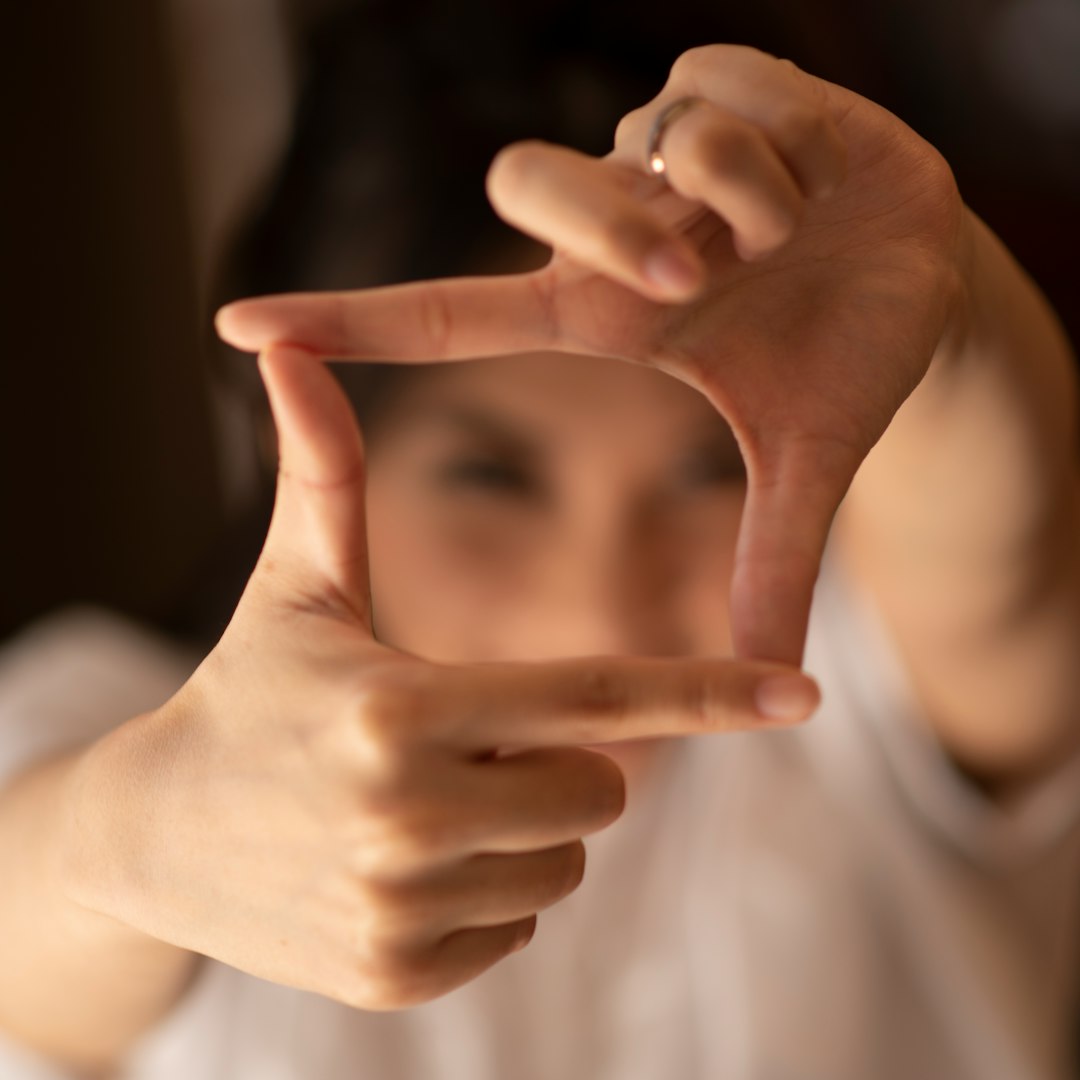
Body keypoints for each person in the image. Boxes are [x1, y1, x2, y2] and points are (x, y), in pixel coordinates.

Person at [1, 42, 1078, 1080]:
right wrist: (137, 843)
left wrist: (948, 295)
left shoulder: (861, 704)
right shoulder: (114, 717)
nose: (601, 604)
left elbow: (1003, 560)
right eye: (491, 480)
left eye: (709, 473)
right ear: (299, 438)